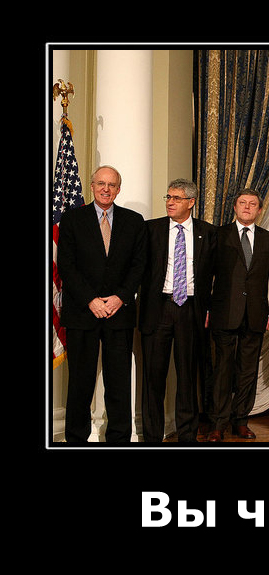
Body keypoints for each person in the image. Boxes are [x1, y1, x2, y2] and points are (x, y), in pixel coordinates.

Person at [57, 165, 146, 443]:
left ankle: (119, 438)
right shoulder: (72, 219)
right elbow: (66, 265)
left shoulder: (134, 221)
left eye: (112, 185)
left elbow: (139, 265)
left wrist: (121, 297)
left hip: (119, 313)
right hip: (82, 312)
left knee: (119, 382)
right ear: (92, 186)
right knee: (80, 382)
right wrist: (90, 300)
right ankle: (76, 438)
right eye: (101, 184)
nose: (106, 189)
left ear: (118, 189)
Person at [138, 179, 216, 443]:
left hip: (191, 310)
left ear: (191, 202)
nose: (170, 202)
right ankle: (152, 437)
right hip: (158, 308)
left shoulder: (208, 232)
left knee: (187, 376)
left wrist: (210, 309)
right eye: (168, 197)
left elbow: (217, 275)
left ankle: (187, 436)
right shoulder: (151, 229)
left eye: (176, 198)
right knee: (153, 378)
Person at [207, 188, 269, 442]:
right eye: (243, 203)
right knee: (222, 370)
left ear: (259, 210)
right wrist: (206, 308)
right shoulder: (219, 235)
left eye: (252, 204)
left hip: (256, 315)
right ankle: (218, 424)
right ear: (235, 207)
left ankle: (241, 421)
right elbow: (206, 274)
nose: (247, 207)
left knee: (247, 371)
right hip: (223, 313)